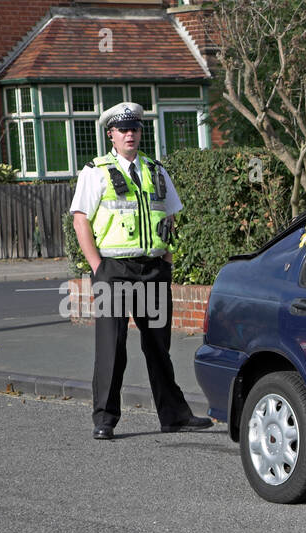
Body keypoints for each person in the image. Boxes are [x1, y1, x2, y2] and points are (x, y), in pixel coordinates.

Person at [71, 101, 211, 440]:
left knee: (158, 346)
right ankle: (104, 419)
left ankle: (174, 415)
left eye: (134, 128)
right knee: (111, 346)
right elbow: (80, 220)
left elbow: (171, 215)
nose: (129, 133)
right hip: (114, 270)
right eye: (122, 129)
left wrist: (167, 261)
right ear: (111, 135)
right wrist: (98, 267)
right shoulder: (95, 171)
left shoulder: (156, 170)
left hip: (152, 269)